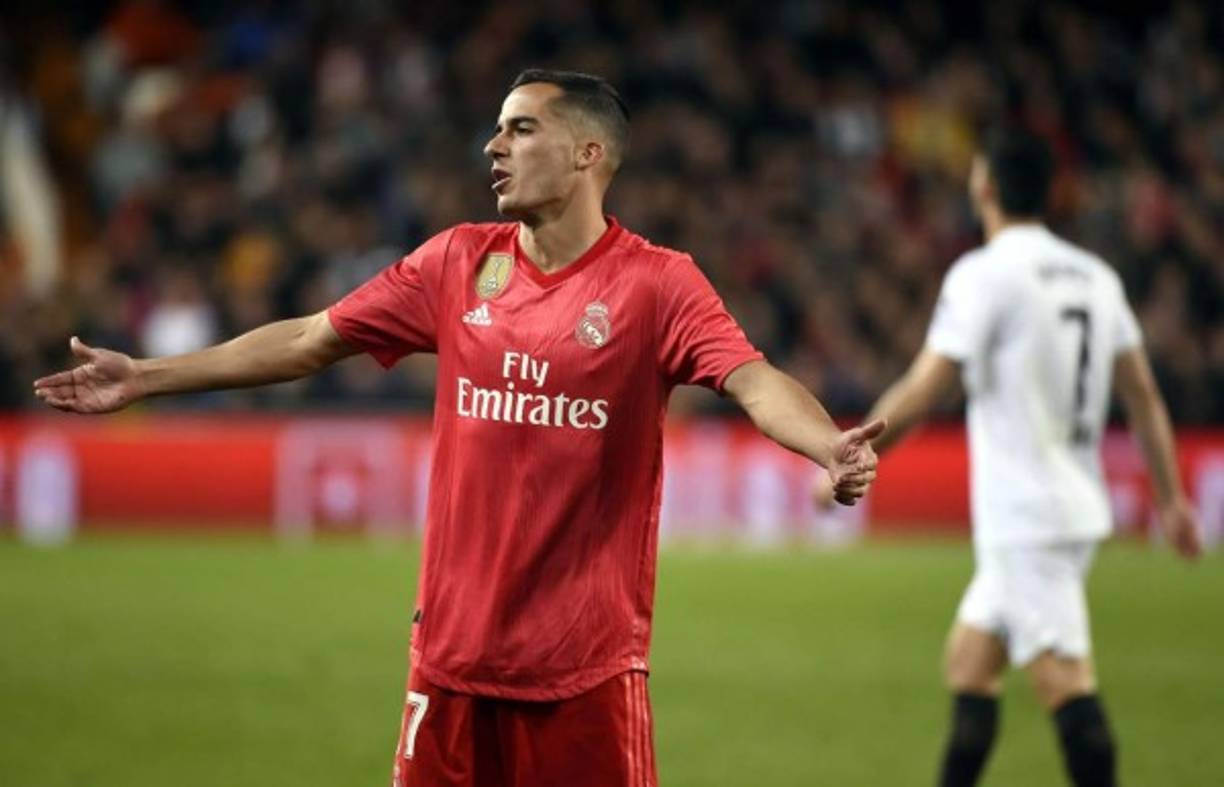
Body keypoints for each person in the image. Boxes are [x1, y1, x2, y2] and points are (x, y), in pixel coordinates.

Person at [36, 69, 884, 787]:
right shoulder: (454, 263)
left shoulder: (657, 284)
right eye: (495, 130)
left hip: (585, 677)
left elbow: (752, 379)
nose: (495, 146)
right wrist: (147, 376)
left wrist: (827, 443)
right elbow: (307, 339)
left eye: (521, 129)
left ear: (589, 154)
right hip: (446, 668)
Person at [817, 128, 1202, 787]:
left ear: (985, 186)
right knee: (970, 665)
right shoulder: (1096, 276)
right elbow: (1143, 398)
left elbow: (922, 389)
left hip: (1029, 518)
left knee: (1066, 686)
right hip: (1062, 504)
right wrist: (1169, 497)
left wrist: (848, 456)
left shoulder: (984, 273)